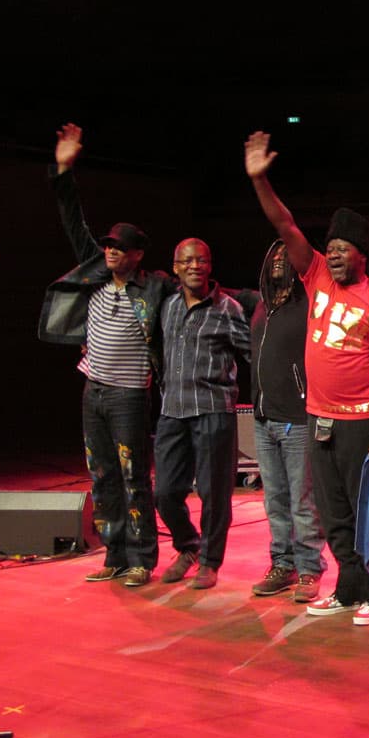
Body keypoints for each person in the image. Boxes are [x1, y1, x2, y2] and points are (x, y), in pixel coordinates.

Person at [245, 130, 369, 626]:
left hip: (364, 421)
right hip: (319, 418)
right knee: (333, 514)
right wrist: (260, 179)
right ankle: (347, 586)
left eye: (342, 248)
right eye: (329, 247)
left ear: (362, 254)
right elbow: (284, 223)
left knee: (366, 512)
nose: (332, 254)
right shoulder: (313, 277)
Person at [39, 123, 174, 587]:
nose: (110, 251)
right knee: (101, 475)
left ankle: (142, 557)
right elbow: (72, 220)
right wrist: (63, 168)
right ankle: (115, 553)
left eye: (120, 247)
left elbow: (203, 290)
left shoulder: (154, 285)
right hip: (93, 388)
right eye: (108, 245)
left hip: (129, 394)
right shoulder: (95, 272)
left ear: (137, 254)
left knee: (135, 474)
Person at [154, 238, 251, 589]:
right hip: (173, 411)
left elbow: (253, 353)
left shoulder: (228, 309)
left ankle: (210, 561)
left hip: (213, 410)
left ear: (210, 266)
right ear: (177, 267)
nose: (195, 266)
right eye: (188, 261)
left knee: (214, 493)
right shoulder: (167, 307)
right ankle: (188, 546)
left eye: (202, 261)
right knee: (164, 492)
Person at [247, 241, 328, 603]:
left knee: (302, 501)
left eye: (286, 256)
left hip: (296, 418)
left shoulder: (309, 303)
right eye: (273, 255)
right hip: (263, 420)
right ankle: (283, 564)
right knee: (275, 499)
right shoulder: (260, 306)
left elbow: (346, 292)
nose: (279, 259)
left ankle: (310, 569)